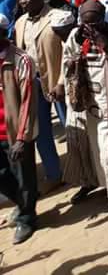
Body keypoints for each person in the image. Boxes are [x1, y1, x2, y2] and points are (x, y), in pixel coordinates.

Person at [62, 0, 108, 228]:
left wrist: (107, 49)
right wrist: (74, 58)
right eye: (86, 23)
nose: (90, 28)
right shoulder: (76, 35)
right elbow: (66, 63)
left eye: (94, 23)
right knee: (95, 153)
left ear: (104, 18)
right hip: (87, 102)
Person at [15, 0, 65, 191]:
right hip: (32, 84)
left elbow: (68, 53)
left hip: (57, 82)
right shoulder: (20, 23)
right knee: (41, 132)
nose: (23, 1)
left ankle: (84, 173)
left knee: (72, 128)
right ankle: (54, 175)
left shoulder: (58, 17)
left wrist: (62, 82)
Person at [0, 14, 38, 244]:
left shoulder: (21, 60)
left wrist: (22, 138)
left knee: (24, 178)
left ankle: (27, 218)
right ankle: (24, 203)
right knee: (3, 178)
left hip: (15, 133)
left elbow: (28, 101)